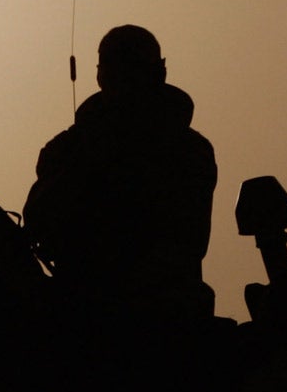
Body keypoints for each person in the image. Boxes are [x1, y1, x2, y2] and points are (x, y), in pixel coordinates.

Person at [23, 25, 218, 327]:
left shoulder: (188, 152)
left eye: (131, 69)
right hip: (82, 309)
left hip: (160, 316)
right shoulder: (68, 149)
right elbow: (37, 224)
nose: (125, 81)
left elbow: (185, 244)